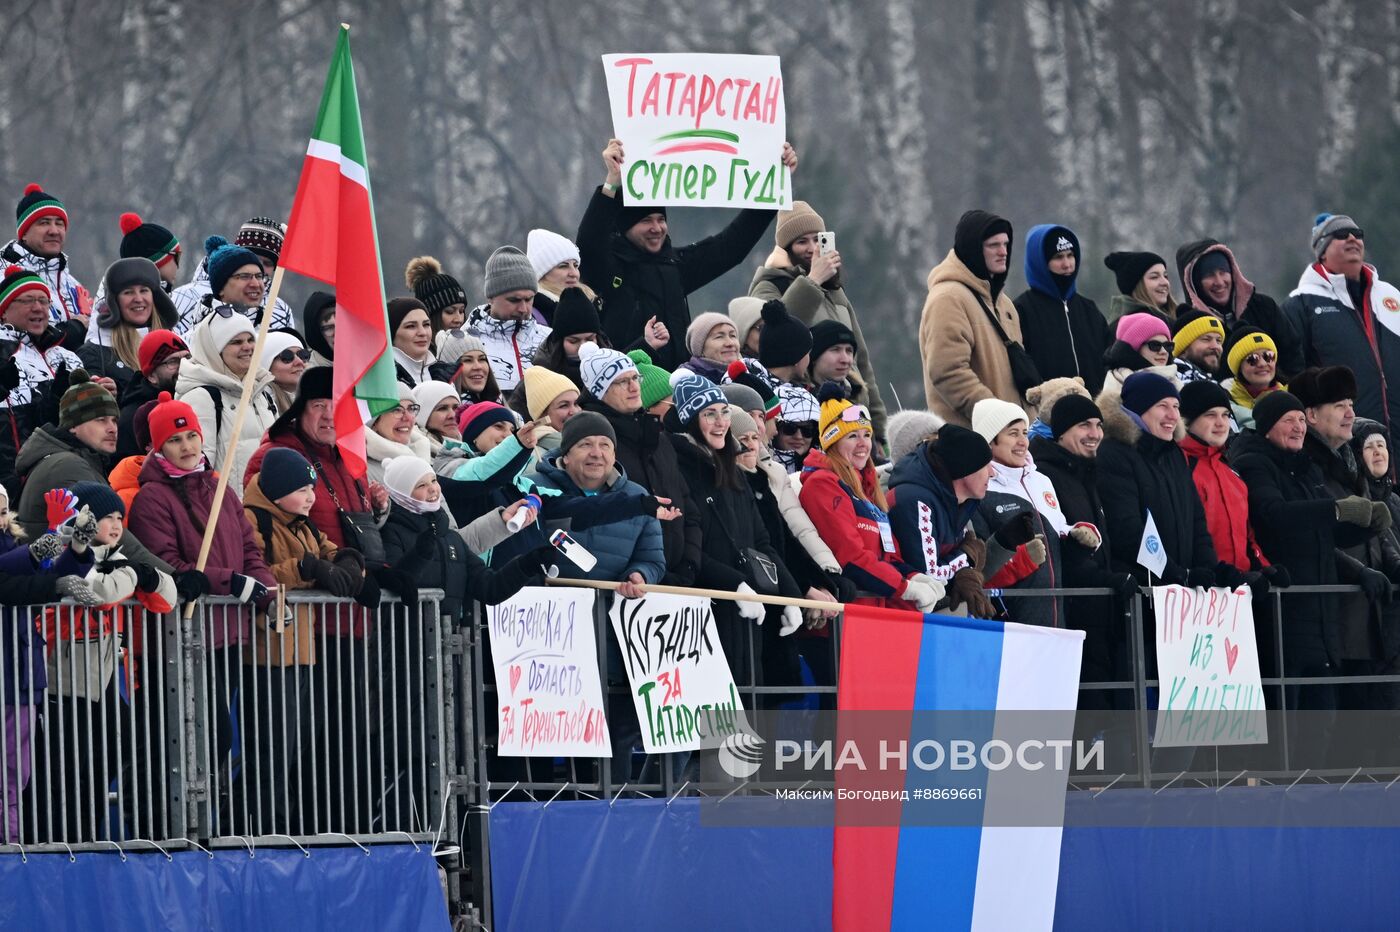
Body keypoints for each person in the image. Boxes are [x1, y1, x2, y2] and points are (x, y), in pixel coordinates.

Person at [128, 391, 277, 799]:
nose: (187, 446)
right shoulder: (151, 499)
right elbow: (168, 565)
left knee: (217, 736)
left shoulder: (219, 489)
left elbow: (249, 548)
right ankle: (168, 823)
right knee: (184, 737)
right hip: (179, 638)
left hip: (225, 635)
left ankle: (203, 820)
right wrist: (228, 582)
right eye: (175, 440)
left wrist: (266, 591)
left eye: (191, 435)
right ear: (157, 448)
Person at [578, 137, 797, 368]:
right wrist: (611, 183)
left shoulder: (676, 264)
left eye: (661, 219)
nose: (657, 228)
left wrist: (775, 184)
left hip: (679, 386)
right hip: (630, 387)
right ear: (624, 229)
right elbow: (588, 242)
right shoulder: (608, 267)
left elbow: (731, 246)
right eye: (646, 221)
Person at [1228, 391, 1381, 709]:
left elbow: (1327, 534)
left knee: (1322, 724)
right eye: (1289, 421)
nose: (1298, 427)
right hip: (1282, 614)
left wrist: (1368, 526)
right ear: (1268, 427)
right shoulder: (1253, 464)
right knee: (1288, 721)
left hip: (1321, 619)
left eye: (1301, 420)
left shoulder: (1306, 468)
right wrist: (1338, 509)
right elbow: (1274, 515)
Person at [669, 374, 803, 685]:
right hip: (706, 612)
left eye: (724, 412)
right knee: (714, 721)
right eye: (708, 414)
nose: (720, 422)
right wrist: (735, 584)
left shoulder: (734, 469)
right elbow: (686, 546)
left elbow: (761, 541)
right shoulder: (680, 467)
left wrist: (789, 595)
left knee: (744, 720)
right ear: (691, 419)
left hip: (745, 615)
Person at [1291, 366, 1400, 687]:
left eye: (1351, 404)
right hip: (1336, 619)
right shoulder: (1305, 467)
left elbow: (1379, 534)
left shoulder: (1349, 462)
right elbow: (1319, 538)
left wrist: (1395, 566)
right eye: (1339, 406)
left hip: (1371, 619)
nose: (1351, 413)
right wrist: (1359, 572)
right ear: (1311, 414)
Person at [1030, 394, 1141, 704]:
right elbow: (1061, 543)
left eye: (1098, 425)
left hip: (1099, 611)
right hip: (1072, 612)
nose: (1094, 434)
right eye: (1084, 426)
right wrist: (1103, 580)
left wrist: (1116, 574)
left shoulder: (1085, 471)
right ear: (1061, 432)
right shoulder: (1045, 475)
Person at [13, 370, 178, 577]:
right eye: (101, 420)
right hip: (55, 596)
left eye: (114, 420)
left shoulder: (76, 461)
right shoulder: (68, 465)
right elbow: (109, 532)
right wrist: (173, 577)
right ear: (73, 426)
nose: (112, 429)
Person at [750, 200, 889, 442]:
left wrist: (879, 429)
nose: (811, 248)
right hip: (807, 417)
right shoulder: (769, 286)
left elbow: (862, 362)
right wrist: (812, 281)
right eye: (802, 241)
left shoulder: (835, 291)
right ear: (786, 248)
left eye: (817, 240)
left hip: (854, 409)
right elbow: (773, 336)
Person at [799, 383, 944, 612]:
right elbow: (850, 557)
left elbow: (889, 556)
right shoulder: (823, 484)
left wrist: (914, 576)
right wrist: (904, 587)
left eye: (867, 435)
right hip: (844, 617)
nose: (863, 444)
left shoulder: (866, 487)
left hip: (874, 611)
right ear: (832, 443)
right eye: (852, 436)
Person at [576, 342, 701, 585]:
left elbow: (688, 508)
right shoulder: (591, 445)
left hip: (679, 583)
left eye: (635, 378)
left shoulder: (659, 438)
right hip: (624, 585)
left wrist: (689, 565)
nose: (634, 387)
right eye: (622, 382)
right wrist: (641, 571)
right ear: (600, 390)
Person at [970, 398, 1101, 628]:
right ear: (990, 441)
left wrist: (1081, 535)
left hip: (1055, 616)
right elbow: (979, 569)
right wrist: (1022, 561)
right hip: (1008, 622)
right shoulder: (980, 488)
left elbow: (1059, 531)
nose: (1023, 441)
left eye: (1025, 432)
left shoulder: (1041, 480)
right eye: (1013, 433)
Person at [244, 367, 389, 555]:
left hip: (362, 571)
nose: (329, 415)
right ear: (301, 409)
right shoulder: (273, 457)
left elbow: (356, 526)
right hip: (313, 577)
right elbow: (264, 526)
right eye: (319, 405)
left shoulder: (349, 456)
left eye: (336, 406)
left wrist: (377, 509)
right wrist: (318, 568)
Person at [1095, 372, 1217, 586]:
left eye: (1176, 407)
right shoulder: (1114, 453)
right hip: (1143, 591)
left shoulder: (1174, 454)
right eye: (1162, 406)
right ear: (1139, 409)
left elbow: (1197, 520)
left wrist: (1207, 569)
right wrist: (1177, 574)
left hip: (1180, 594)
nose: (1173, 416)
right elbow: (1126, 529)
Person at [1281, 214, 1400, 435]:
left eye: (1358, 234)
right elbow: (1292, 376)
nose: (1353, 238)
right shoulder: (1301, 303)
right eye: (1342, 234)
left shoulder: (1391, 296)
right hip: (1344, 438)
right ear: (1322, 249)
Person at [532, 412, 666, 589]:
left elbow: (652, 561)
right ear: (566, 455)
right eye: (585, 444)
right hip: (543, 609)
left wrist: (639, 575)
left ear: (613, 455)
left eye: (605, 445)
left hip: (607, 609)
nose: (596, 453)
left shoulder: (638, 497)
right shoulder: (534, 489)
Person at [919, 209, 1024, 425]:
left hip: (1010, 441)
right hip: (971, 443)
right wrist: (999, 419)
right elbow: (948, 372)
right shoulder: (948, 298)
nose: (1003, 251)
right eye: (993, 245)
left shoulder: (1005, 304)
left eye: (1006, 244)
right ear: (974, 248)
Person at [887, 424, 996, 618]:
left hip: (927, 614)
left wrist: (964, 571)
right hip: (901, 619)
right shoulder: (915, 500)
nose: (993, 473)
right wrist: (967, 556)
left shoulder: (959, 501)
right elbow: (927, 575)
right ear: (965, 468)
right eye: (985, 465)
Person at [1176, 381, 1278, 585]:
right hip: (1196, 591)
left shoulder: (1231, 471)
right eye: (1210, 415)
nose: (1221, 423)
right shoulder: (1179, 465)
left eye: (1226, 415)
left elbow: (1247, 535)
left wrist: (1263, 567)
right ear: (1187, 420)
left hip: (1236, 592)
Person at [0, 264, 84, 493]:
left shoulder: (68, 357)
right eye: (27, 301)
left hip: (67, 478)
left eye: (43, 301)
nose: (38, 307)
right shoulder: (2, 353)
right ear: (4, 311)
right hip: (11, 488)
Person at [175, 306, 279, 491]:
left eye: (250, 340)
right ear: (215, 350)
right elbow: (196, 470)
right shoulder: (201, 398)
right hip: (228, 511)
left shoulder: (261, 392)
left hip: (270, 507)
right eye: (236, 342)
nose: (247, 347)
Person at [1176, 238, 1304, 377]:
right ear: (1194, 283)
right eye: (1209, 275)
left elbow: (1293, 354)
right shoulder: (1191, 327)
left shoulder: (1263, 307)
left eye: (1223, 272)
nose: (1219, 282)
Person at [1014, 223, 1110, 394]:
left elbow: (1106, 363)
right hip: (1046, 414)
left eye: (1070, 255)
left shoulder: (1089, 310)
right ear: (1040, 262)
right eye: (1058, 257)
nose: (1067, 264)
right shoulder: (1022, 310)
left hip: (1093, 415)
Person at [0, 183, 88, 348]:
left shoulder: (73, 284)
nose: (54, 231)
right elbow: (16, 341)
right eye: (44, 223)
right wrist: (74, 330)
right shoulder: (5, 277)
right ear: (24, 233)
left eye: (59, 223)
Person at [79, 258, 180, 397]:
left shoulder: (175, 346)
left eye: (144, 290)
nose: (138, 298)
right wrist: (109, 394)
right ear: (114, 302)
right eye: (128, 292)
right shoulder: (95, 352)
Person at [172, 220, 293, 334]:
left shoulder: (280, 309)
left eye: (267, 263)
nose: (259, 267)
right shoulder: (184, 296)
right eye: (245, 274)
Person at [465, 246, 551, 391]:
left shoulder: (550, 339)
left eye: (529, 299)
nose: (523, 309)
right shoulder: (464, 342)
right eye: (514, 300)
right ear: (491, 297)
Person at [509, 287, 607, 412]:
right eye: (573, 341)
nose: (583, 346)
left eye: (590, 339)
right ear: (559, 343)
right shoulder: (540, 377)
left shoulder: (615, 368)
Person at [806, 320, 884, 449]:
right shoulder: (799, 398)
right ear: (814, 357)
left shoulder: (858, 393)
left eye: (849, 351)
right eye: (835, 350)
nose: (845, 360)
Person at [115, 330, 189, 460]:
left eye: (187, 358)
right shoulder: (133, 418)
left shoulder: (196, 396)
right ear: (152, 376)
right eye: (173, 361)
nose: (184, 366)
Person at [364, 382, 432, 483]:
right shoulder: (364, 471)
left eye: (411, 409)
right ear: (374, 422)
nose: (408, 417)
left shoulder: (422, 454)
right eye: (396, 410)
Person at [1220, 327, 1287, 431]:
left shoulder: (1290, 397)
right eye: (1252, 359)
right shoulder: (1224, 397)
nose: (1263, 364)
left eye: (1268, 356)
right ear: (1238, 367)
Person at [404, 256, 469, 350]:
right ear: (429, 316)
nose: (458, 319)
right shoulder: (417, 359)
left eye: (461, 311)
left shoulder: (473, 351)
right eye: (449, 311)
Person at [527, 229, 589, 326]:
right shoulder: (531, 317)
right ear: (542, 273)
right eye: (563, 266)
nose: (574, 274)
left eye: (576, 266)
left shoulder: (588, 305)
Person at [1102, 312, 1174, 387]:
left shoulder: (1176, 380)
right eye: (1155, 345)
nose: (1164, 351)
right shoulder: (1119, 387)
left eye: (1168, 346)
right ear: (1134, 349)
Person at [1104, 250, 1175, 324]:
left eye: (1165, 276)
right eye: (1154, 277)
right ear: (1136, 285)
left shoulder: (1176, 316)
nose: (1165, 282)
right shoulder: (1143, 324)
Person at [521, 366, 579, 453]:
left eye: (576, 403)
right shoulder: (538, 454)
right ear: (542, 415)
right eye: (563, 405)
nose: (574, 411)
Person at [1354, 421, 1400, 532]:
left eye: (1380, 445)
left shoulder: (1395, 501)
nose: (1377, 451)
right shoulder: (1355, 503)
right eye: (1368, 447)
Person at [755, 299, 813, 387]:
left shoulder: (751, 384)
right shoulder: (794, 398)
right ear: (796, 356)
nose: (809, 358)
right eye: (807, 353)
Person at [432, 331, 502, 403]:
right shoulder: (442, 412)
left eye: (482, 359)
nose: (478, 366)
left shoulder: (501, 407)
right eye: (468, 360)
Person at [679, 311, 742, 384]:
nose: (730, 343)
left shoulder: (752, 370)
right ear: (700, 348)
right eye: (719, 337)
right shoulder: (688, 382)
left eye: (733, 335)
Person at [388, 297, 436, 387]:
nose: (422, 333)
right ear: (392, 332)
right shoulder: (384, 379)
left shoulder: (446, 375)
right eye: (411, 326)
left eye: (426, 324)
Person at [1168, 309, 1227, 384]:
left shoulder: (1212, 383)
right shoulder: (1173, 383)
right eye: (1206, 339)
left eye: (1218, 341)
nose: (1215, 346)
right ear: (1183, 348)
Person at [773, 383, 820, 474]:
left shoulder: (826, 470)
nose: (798, 437)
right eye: (790, 428)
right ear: (775, 428)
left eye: (807, 430)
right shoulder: (759, 470)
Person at [260, 328, 309, 413]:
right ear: (266, 363)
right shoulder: (262, 404)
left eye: (302, 355)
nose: (299, 362)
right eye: (287, 356)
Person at [414, 380, 462, 458]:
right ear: (421, 414)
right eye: (442, 408)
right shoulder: (417, 455)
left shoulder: (472, 446)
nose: (453, 415)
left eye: (456, 408)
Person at [301, 291, 335, 368]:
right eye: (329, 328)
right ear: (315, 334)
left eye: (341, 325)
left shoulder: (362, 367)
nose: (338, 333)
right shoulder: (306, 376)